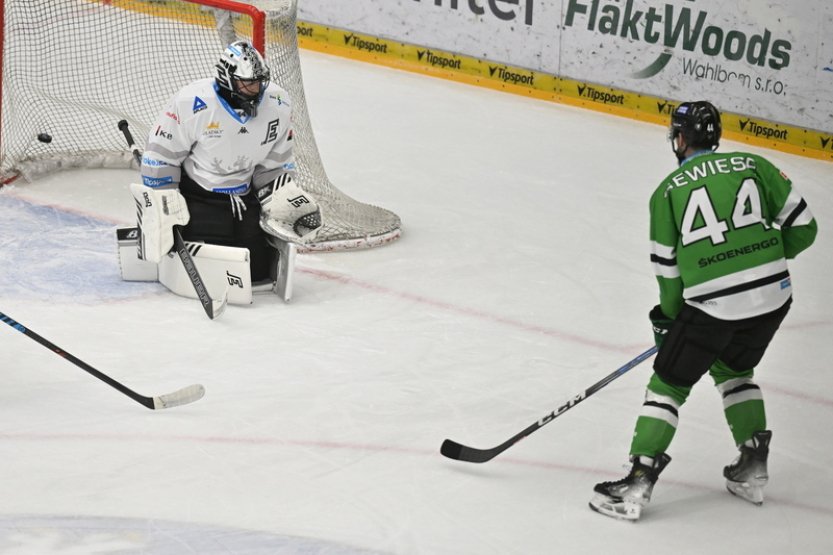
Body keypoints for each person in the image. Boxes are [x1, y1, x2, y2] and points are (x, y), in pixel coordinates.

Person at [589, 101, 817, 521]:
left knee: (668, 384)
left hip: (715, 304)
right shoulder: (754, 164)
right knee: (734, 371)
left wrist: (670, 317)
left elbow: (669, 274)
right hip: (773, 299)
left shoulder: (667, 191)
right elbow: (806, 228)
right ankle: (752, 467)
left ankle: (637, 481)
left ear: (680, 139)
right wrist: (761, 261)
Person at [131, 40, 321, 285]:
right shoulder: (192, 102)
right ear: (227, 79)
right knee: (210, 260)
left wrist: (279, 195)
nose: (256, 89)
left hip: (245, 198)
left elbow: (275, 163)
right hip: (198, 196)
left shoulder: (278, 104)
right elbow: (161, 154)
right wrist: (164, 206)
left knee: (257, 270)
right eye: (248, 83)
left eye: (259, 82)